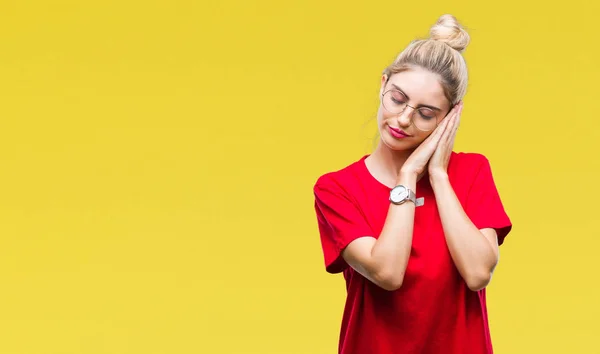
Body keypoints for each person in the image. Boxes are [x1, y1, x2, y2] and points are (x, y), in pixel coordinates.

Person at [312, 14, 513, 354]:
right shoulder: (337, 188)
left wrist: (438, 175)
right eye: (397, 98)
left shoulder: (472, 171)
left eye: (425, 113)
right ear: (383, 84)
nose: (403, 119)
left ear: (450, 116)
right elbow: (388, 273)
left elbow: (479, 272)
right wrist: (408, 176)